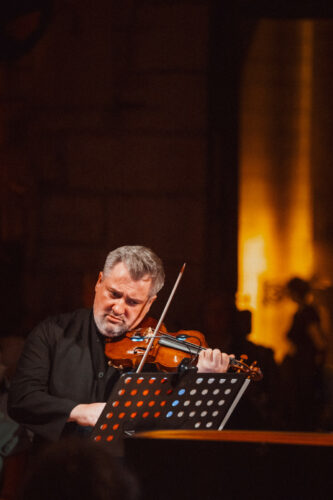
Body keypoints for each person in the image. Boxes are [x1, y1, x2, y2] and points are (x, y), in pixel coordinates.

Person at [8, 246, 231, 444]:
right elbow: (22, 399)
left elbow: (180, 428)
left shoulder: (159, 354)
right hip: (58, 471)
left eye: (133, 302)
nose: (118, 308)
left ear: (149, 304)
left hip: (132, 478)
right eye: (113, 294)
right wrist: (79, 412)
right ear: (98, 283)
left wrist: (202, 381)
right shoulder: (51, 333)